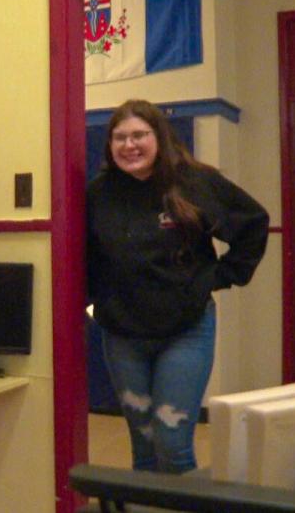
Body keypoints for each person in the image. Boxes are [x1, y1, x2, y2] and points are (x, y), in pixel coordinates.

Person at [86, 99, 269, 473]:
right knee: (143, 444)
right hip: (122, 336)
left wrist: (216, 277)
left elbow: (253, 223)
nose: (129, 145)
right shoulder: (98, 193)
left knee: (172, 443)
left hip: (185, 332)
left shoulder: (194, 182)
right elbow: (86, 256)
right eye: (119, 137)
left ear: (160, 137)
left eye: (139, 135)